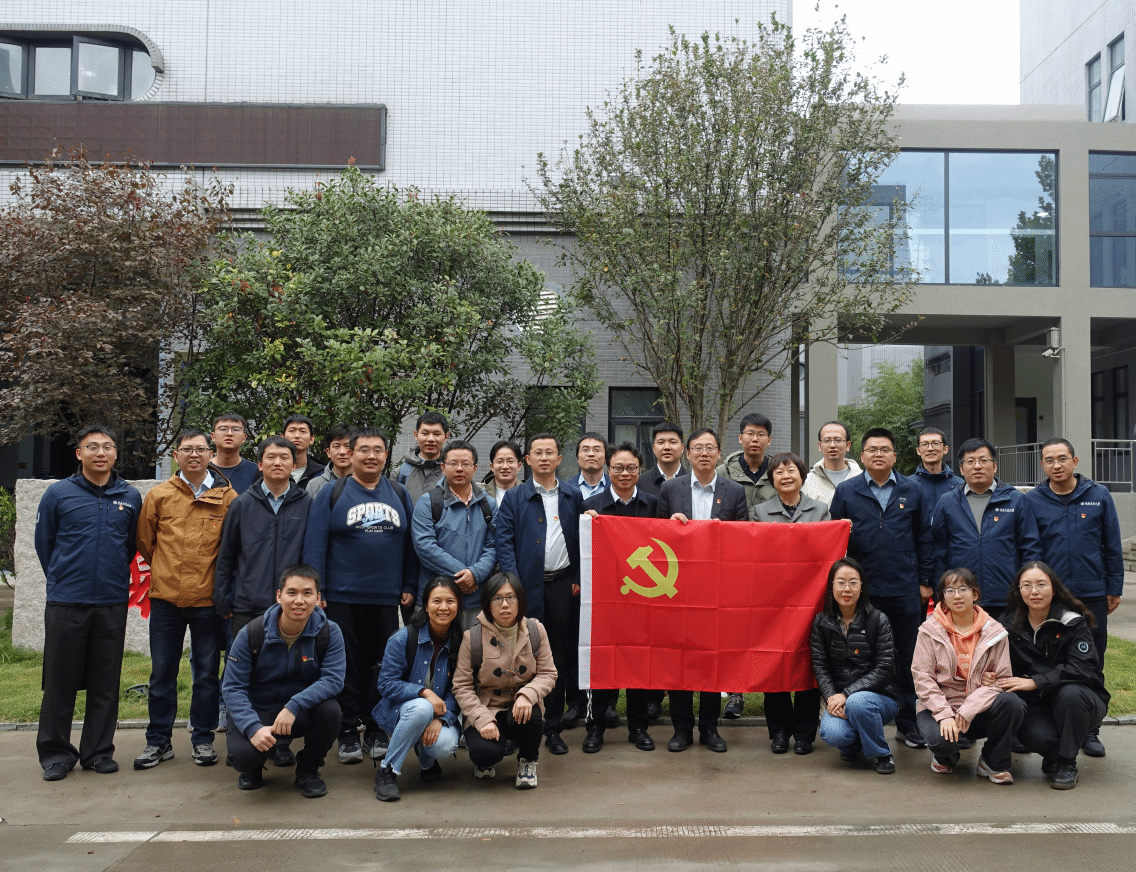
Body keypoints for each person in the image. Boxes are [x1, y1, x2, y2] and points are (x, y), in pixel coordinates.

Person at [301, 427, 418, 765]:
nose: (371, 456)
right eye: (364, 450)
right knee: (347, 664)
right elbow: (315, 543)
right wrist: (317, 589)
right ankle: (348, 730)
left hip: (385, 597)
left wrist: (409, 585)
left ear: (386, 456)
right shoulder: (332, 492)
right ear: (350, 454)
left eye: (378, 450)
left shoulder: (398, 492)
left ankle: (376, 727)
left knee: (382, 664)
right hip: (342, 596)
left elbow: (410, 545)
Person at [34, 425, 143, 781]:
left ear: (115, 454)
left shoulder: (130, 496)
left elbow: (130, 546)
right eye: (92, 447)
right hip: (66, 601)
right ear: (79, 453)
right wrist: (64, 578)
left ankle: (97, 752)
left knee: (105, 681)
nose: (100, 453)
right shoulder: (58, 494)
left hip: (111, 600)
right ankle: (56, 754)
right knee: (59, 681)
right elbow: (45, 544)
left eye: (107, 447)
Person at [134, 428, 236, 770]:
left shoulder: (227, 497)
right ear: (176, 455)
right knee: (162, 672)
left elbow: (232, 548)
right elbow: (145, 542)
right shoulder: (159, 495)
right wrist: (167, 570)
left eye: (200, 449)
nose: (194, 455)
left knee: (206, 674)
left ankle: (203, 739)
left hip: (207, 601)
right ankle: (158, 741)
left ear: (211, 454)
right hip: (165, 599)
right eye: (187, 449)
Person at [830, 427, 933, 750]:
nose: (878, 454)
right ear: (861, 456)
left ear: (895, 456)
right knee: (862, 656)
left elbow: (924, 538)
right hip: (863, 591)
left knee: (907, 656)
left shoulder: (913, 490)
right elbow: (835, 542)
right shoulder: (847, 491)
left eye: (885, 449)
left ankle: (908, 723)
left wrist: (924, 582)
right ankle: (861, 721)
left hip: (904, 588)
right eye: (872, 449)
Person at [214, 435, 312, 768]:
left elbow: (312, 554)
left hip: (291, 608)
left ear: (294, 464)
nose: (277, 463)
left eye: (285, 457)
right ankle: (241, 739)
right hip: (248, 605)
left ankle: (280, 743)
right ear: (259, 464)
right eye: (270, 457)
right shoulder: (242, 503)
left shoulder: (306, 503)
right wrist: (223, 599)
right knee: (243, 676)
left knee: (286, 674)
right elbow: (227, 556)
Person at [1024, 437, 1122, 758]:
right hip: (1051, 597)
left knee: (1092, 660)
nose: (1056, 465)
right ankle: (1052, 724)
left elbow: (1112, 544)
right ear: (1042, 465)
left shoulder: (1098, 495)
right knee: (1051, 660)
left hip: (1091, 593)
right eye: (1049, 460)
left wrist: (1114, 587)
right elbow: (1031, 548)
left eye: (1062, 459)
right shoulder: (1033, 501)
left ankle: (1090, 730)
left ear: (1075, 461)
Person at [657, 428, 748, 753]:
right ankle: (681, 728)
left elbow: (743, 539)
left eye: (710, 448)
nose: (704, 453)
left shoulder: (734, 491)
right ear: (688, 453)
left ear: (719, 453)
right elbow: (656, 538)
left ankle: (710, 727)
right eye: (698, 448)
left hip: (717, 590)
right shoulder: (671, 489)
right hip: (678, 588)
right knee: (680, 658)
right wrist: (671, 526)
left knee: (712, 658)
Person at [221, 564, 345, 799]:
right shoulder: (251, 633)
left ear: (318, 598)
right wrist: (252, 727)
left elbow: (333, 679)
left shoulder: (329, 632)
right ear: (279, 596)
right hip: (258, 710)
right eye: (292, 592)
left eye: (307, 593)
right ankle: (254, 766)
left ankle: (308, 769)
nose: (299, 600)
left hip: (298, 712)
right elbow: (232, 687)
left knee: (331, 711)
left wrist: (294, 705)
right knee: (243, 757)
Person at [496, 433, 583, 756]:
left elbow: (583, 540)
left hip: (562, 585)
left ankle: (553, 728)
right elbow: (504, 542)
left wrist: (577, 577)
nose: (544, 458)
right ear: (528, 460)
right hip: (523, 588)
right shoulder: (515, 497)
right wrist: (512, 586)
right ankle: (516, 727)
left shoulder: (573, 495)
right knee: (519, 656)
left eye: (550, 452)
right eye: (538, 453)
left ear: (560, 459)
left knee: (555, 657)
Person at [995, 561, 1109, 789]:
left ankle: (1067, 764)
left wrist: (1036, 682)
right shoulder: (1008, 623)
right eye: (1026, 585)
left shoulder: (1072, 621)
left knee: (1070, 694)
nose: (1034, 591)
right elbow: (999, 664)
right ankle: (1054, 755)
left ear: (1054, 588)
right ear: (1019, 590)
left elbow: (1082, 668)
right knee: (1037, 737)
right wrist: (992, 675)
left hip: (1081, 699)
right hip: (1038, 703)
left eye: (1041, 584)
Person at [912, 568, 1026, 784]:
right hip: (939, 707)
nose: (957, 596)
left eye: (963, 589)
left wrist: (968, 709)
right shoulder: (929, 631)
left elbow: (1001, 680)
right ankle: (945, 756)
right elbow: (922, 678)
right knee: (942, 742)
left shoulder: (995, 632)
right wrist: (945, 714)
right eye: (950, 590)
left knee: (1012, 703)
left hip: (978, 709)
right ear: (942, 597)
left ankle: (992, 762)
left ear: (975, 594)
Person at [580, 442, 659, 753]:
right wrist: (587, 524)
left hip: (642, 599)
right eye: (618, 468)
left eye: (631, 468)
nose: (625, 473)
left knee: (639, 664)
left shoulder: (653, 505)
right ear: (608, 470)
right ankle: (595, 727)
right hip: (604, 600)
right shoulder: (591, 506)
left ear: (640, 470)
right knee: (602, 662)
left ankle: (638, 728)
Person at [751, 452, 828, 754]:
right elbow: (753, 556)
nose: (785, 476)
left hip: (810, 601)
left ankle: (805, 733)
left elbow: (826, 553)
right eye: (779, 472)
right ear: (772, 479)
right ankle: (779, 731)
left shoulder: (820, 510)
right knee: (775, 665)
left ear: (802, 476)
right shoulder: (759, 512)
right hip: (772, 603)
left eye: (791, 470)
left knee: (808, 662)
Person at [452, 573, 556, 789]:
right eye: (497, 599)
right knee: (484, 754)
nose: (505, 605)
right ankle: (487, 758)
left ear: (520, 601)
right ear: (488, 604)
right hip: (488, 706)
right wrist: (482, 719)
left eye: (511, 597)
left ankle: (527, 760)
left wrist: (527, 695)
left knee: (531, 715)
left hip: (521, 709)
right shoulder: (472, 637)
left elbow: (548, 673)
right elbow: (461, 686)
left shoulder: (535, 630)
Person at [372, 577, 464, 801]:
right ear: (426, 606)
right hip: (400, 712)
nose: (443, 607)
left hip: (438, 713)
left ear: (458, 606)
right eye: (437, 601)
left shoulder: (462, 642)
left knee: (445, 745)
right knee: (422, 707)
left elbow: (459, 690)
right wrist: (424, 692)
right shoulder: (403, 638)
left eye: (450, 601)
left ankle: (427, 760)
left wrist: (441, 720)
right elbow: (386, 684)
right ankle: (387, 771)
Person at [930, 438, 1042, 618]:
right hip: (961, 597)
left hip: (1007, 596)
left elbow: (1030, 547)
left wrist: (1028, 587)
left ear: (995, 466)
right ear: (961, 469)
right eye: (970, 461)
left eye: (983, 460)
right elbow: (938, 551)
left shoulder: (1015, 500)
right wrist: (940, 592)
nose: (977, 466)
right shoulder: (947, 502)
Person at [809, 558, 899, 775]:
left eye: (853, 582)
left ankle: (881, 753)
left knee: (858, 703)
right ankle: (855, 744)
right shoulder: (821, 622)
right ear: (832, 586)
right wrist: (832, 698)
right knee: (833, 733)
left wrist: (847, 695)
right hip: (840, 699)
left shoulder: (878, 620)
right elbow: (820, 667)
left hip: (880, 698)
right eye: (841, 582)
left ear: (862, 586)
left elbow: (885, 668)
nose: (847, 589)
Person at [411, 440, 498, 631]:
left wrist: (475, 574)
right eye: (453, 463)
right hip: (437, 599)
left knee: (474, 649)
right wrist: (464, 576)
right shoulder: (428, 503)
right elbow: (425, 547)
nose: (459, 469)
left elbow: (493, 546)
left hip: (476, 600)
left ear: (475, 468)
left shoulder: (488, 505)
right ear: (443, 467)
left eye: (465, 464)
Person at [716, 412, 777, 515]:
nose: (755, 439)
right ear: (740, 438)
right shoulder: (723, 472)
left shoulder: (777, 472)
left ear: (769, 440)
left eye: (761, 435)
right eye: (750, 434)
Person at [909, 427, 963, 529]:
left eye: (936, 443)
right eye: (924, 444)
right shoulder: (907, 484)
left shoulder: (959, 485)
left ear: (945, 449)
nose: (930, 448)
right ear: (918, 450)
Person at [801, 421, 860, 507]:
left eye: (838, 440)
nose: (832, 445)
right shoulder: (807, 482)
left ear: (848, 445)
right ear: (819, 445)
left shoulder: (862, 479)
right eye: (827, 440)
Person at [396, 411, 449, 504]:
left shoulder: (452, 472)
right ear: (416, 435)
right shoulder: (400, 474)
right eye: (425, 433)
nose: (431, 439)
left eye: (437, 434)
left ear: (446, 437)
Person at [636, 421, 689, 500]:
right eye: (661, 442)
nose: (666, 447)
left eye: (672, 442)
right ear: (653, 448)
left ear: (682, 448)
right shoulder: (640, 483)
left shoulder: (693, 482)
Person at [209, 413, 259, 494]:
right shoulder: (203, 470)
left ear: (244, 437)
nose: (229, 433)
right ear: (213, 436)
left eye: (236, 429)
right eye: (223, 429)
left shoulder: (256, 471)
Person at [306, 423, 354, 499]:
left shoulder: (367, 482)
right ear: (328, 452)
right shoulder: (314, 485)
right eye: (336, 446)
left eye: (347, 446)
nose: (342, 452)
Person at [283, 413, 324, 489]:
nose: (297, 436)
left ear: (311, 439)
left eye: (302, 431)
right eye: (292, 431)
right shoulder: (271, 471)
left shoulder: (322, 473)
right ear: (283, 437)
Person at [574, 432, 610, 500]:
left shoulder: (616, 488)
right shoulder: (565, 489)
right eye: (585, 450)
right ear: (578, 458)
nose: (591, 454)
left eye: (597, 450)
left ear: (605, 457)